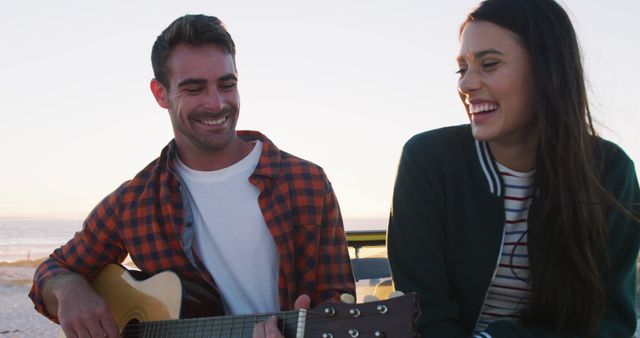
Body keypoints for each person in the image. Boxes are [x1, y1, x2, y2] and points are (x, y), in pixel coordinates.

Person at [29, 14, 355, 338]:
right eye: (194, 88)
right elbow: (53, 271)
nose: (216, 104)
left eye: (227, 85)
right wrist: (69, 289)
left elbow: (341, 308)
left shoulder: (307, 184)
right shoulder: (134, 202)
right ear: (160, 94)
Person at [387, 0, 640, 337]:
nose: (466, 85)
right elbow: (422, 314)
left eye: (489, 64)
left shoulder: (609, 170)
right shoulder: (429, 160)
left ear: (548, 71)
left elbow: (611, 324)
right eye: (462, 68)